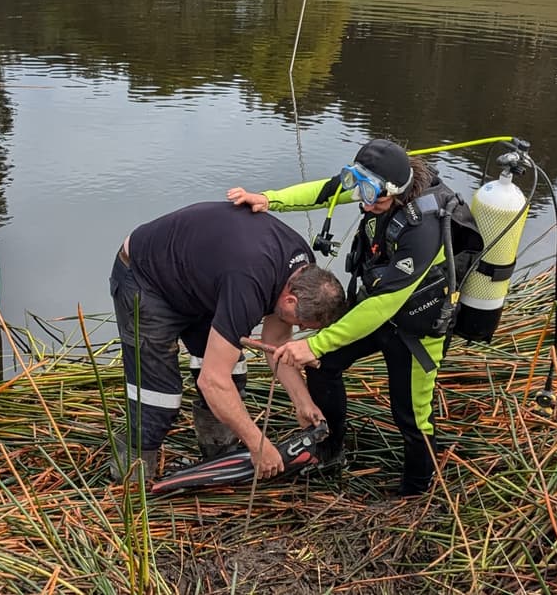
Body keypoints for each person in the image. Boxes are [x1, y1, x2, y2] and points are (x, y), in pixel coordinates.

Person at [227, 138, 480, 496]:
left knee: (411, 415)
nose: (364, 201)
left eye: (373, 196)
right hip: (368, 310)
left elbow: (385, 305)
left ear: (396, 191)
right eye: (360, 189)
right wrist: (269, 199)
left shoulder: (422, 228)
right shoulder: (376, 189)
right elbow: (327, 191)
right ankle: (331, 451)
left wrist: (316, 342)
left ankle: (416, 491)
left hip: (414, 329)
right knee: (323, 366)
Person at [109, 201, 348, 481]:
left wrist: (302, 401)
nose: (295, 329)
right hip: (146, 280)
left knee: (232, 376)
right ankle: (130, 483)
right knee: (158, 400)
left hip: (198, 285)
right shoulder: (249, 281)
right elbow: (211, 381)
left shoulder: (302, 269)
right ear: (290, 299)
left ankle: (219, 460)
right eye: (299, 324)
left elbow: (276, 338)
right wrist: (257, 444)